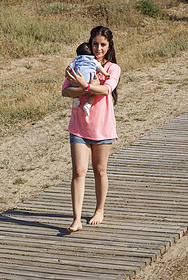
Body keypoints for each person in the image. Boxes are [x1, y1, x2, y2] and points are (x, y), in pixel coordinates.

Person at [61, 26, 121, 232]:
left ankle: (99, 210)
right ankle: (76, 219)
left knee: (99, 170)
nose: (98, 48)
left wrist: (84, 86)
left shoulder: (113, 68)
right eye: (95, 43)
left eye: (103, 44)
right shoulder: (78, 62)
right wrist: (81, 85)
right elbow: (66, 91)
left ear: (109, 46)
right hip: (78, 126)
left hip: (102, 127)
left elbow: (106, 89)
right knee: (78, 172)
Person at [68, 42, 110, 117]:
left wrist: (66, 71)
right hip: (89, 81)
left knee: (74, 89)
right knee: (93, 93)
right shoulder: (93, 60)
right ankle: (88, 104)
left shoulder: (76, 60)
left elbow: (70, 67)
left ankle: (76, 99)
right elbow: (100, 68)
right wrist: (106, 74)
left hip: (76, 80)